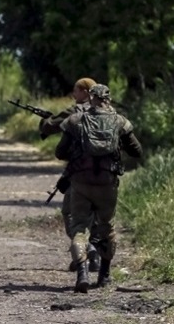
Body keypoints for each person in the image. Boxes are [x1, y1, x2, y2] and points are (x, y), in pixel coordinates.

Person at [55, 84, 142, 293]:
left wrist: (80, 154)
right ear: (108, 98)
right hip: (107, 184)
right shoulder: (120, 121)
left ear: (91, 98)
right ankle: (104, 276)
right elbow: (137, 151)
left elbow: (60, 152)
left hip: (80, 183)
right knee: (107, 228)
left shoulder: (76, 120)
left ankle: (82, 274)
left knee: (79, 229)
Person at [39, 77, 101, 272]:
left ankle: (86, 249)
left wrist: (44, 119)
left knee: (70, 213)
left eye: (76, 90)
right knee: (97, 216)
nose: (73, 94)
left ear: (85, 92)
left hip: (79, 173)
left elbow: (49, 128)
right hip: (105, 174)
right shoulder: (108, 113)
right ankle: (95, 253)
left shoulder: (73, 112)